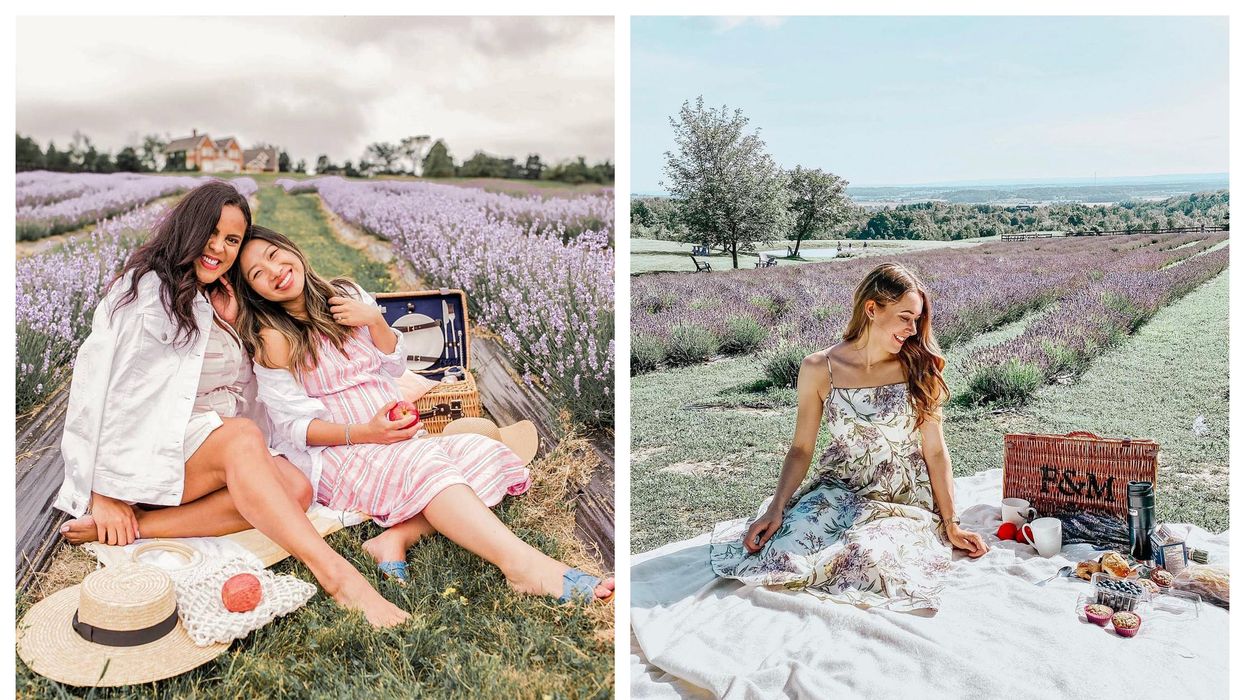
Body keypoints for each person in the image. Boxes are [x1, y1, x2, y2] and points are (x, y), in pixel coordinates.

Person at [55, 181, 410, 627]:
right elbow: (106, 389)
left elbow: (250, 389)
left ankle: (142, 526)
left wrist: (238, 324)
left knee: (296, 489)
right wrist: (102, 493)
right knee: (242, 439)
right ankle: (338, 576)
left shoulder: (221, 296)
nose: (219, 248)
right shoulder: (148, 290)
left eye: (232, 240)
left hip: (204, 445)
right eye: (212, 233)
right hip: (154, 446)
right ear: (189, 228)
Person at [231, 226, 614, 603]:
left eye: (273, 255)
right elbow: (297, 429)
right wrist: (367, 431)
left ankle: (394, 538)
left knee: (488, 453)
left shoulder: (347, 294)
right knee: (431, 462)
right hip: (343, 454)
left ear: (290, 247)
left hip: (397, 436)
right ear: (255, 292)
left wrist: (374, 319)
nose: (274, 272)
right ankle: (522, 566)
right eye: (257, 275)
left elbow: (395, 367)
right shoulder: (273, 337)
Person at [708, 262, 987, 613]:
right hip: (839, 489)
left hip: (900, 497)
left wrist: (951, 524)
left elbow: (935, 452)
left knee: (873, 560)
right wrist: (776, 508)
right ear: (872, 309)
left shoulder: (919, 367)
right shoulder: (818, 368)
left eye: (916, 319)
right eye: (904, 317)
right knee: (785, 551)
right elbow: (801, 448)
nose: (913, 330)